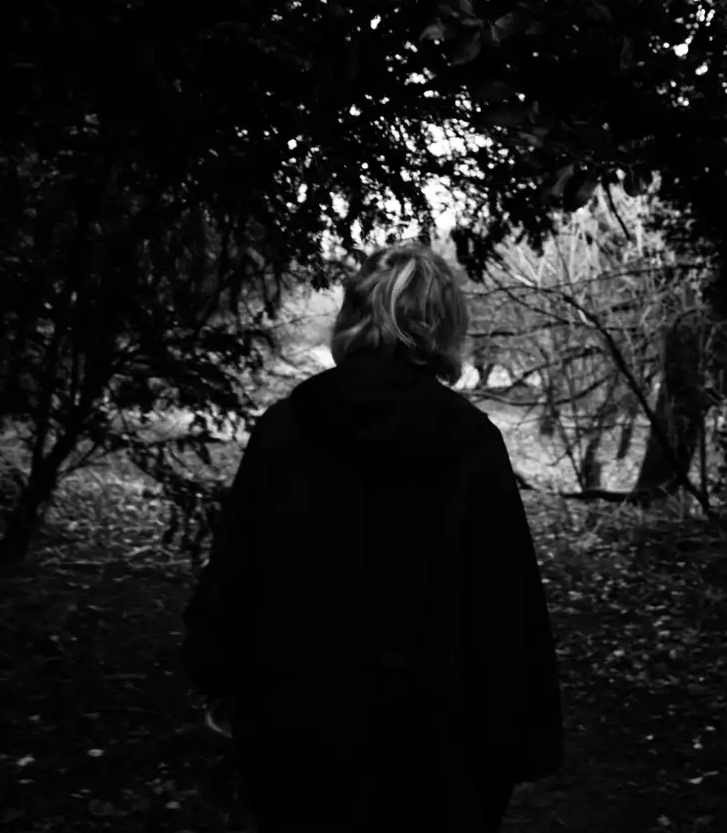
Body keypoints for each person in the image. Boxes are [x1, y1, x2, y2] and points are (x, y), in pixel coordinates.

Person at [180, 241, 565, 832]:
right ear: (442, 326)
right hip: (430, 742)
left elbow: (236, 571)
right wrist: (515, 741)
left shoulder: (287, 427)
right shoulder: (470, 441)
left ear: (353, 316)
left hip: (299, 728)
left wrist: (220, 678)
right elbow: (503, 607)